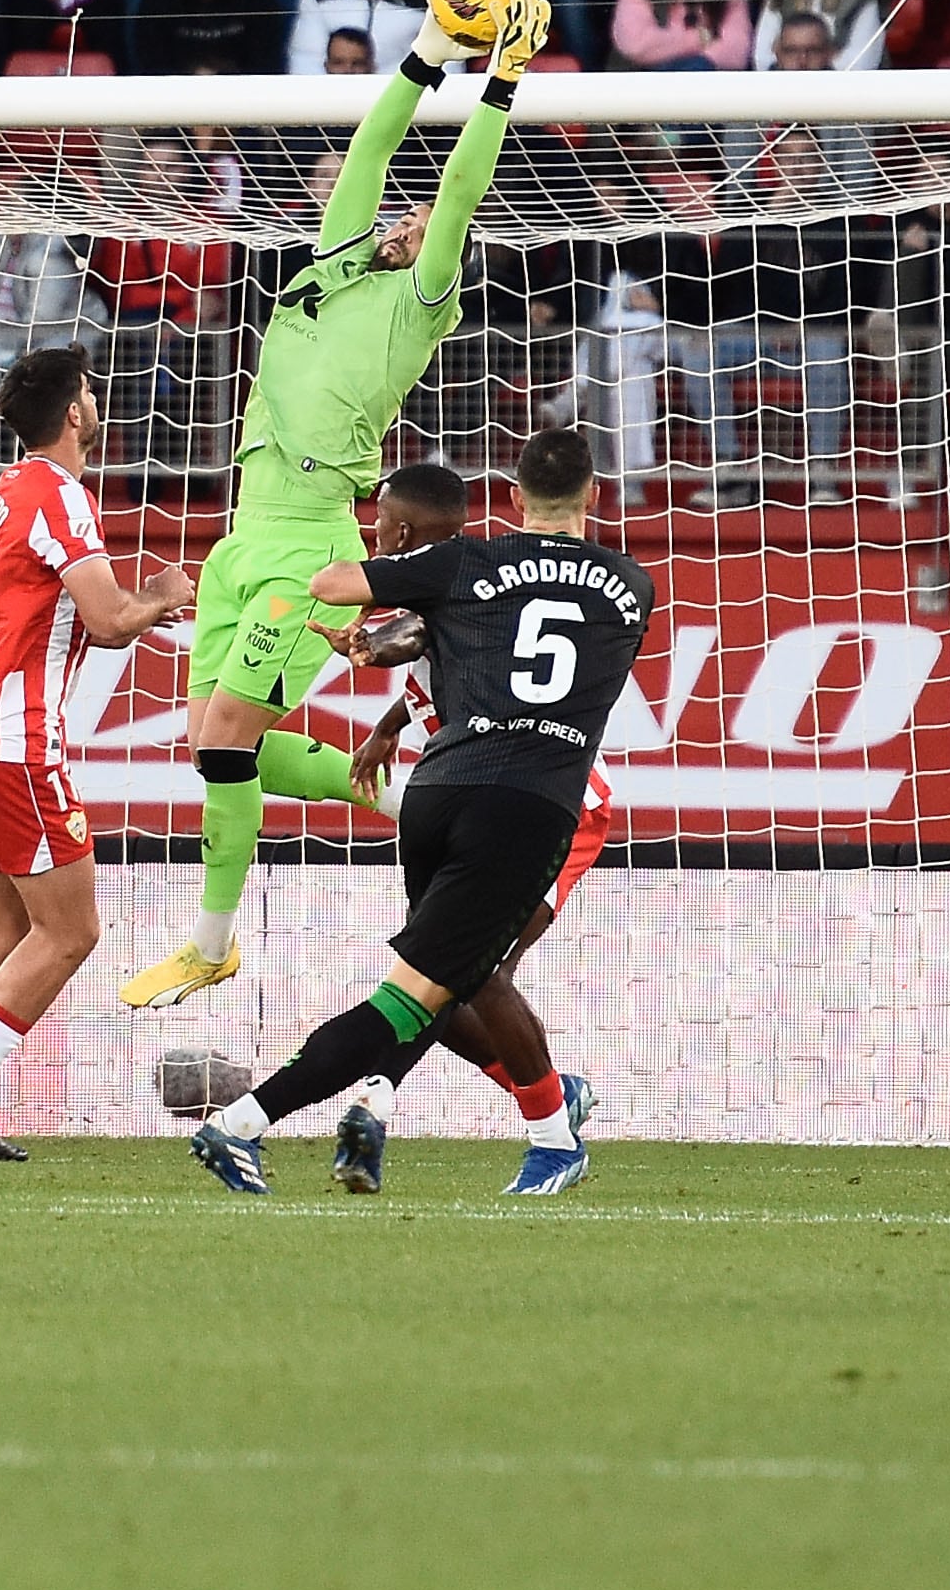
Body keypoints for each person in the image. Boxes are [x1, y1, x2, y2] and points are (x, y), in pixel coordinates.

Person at [116, 0, 540, 1010]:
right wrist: (430, 47)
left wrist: (496, 78)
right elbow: (371, 147)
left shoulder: (417, 305)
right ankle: (400, 787)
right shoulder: (329, 260)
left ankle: (212, 942)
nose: (401, 221)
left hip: (310, 541)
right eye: (397, 219)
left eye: (417, 226)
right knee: (218, 746)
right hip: (236, 531)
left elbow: (458, 193)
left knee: (223, 735)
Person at [182, 427, 643, 1200]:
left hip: (439, 794)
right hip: (526, 801)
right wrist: (392, 709)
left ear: (510, 498)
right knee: (447, 980)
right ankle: (544, 1123)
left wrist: (289, 575)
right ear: (594, 495)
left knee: (455, 978)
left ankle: (419, 1103)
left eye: (380, 524)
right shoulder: (627, 584)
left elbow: (385, 613)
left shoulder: (463, 570)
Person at [0, 344, 201, 1162]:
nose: (98, 403)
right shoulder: (59, 492)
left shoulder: (5, 491)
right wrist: (162, 597)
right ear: (74, 412)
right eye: (92, 393)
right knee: (70, 933)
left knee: (8, 922)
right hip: (14, 742)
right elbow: (105, 620)